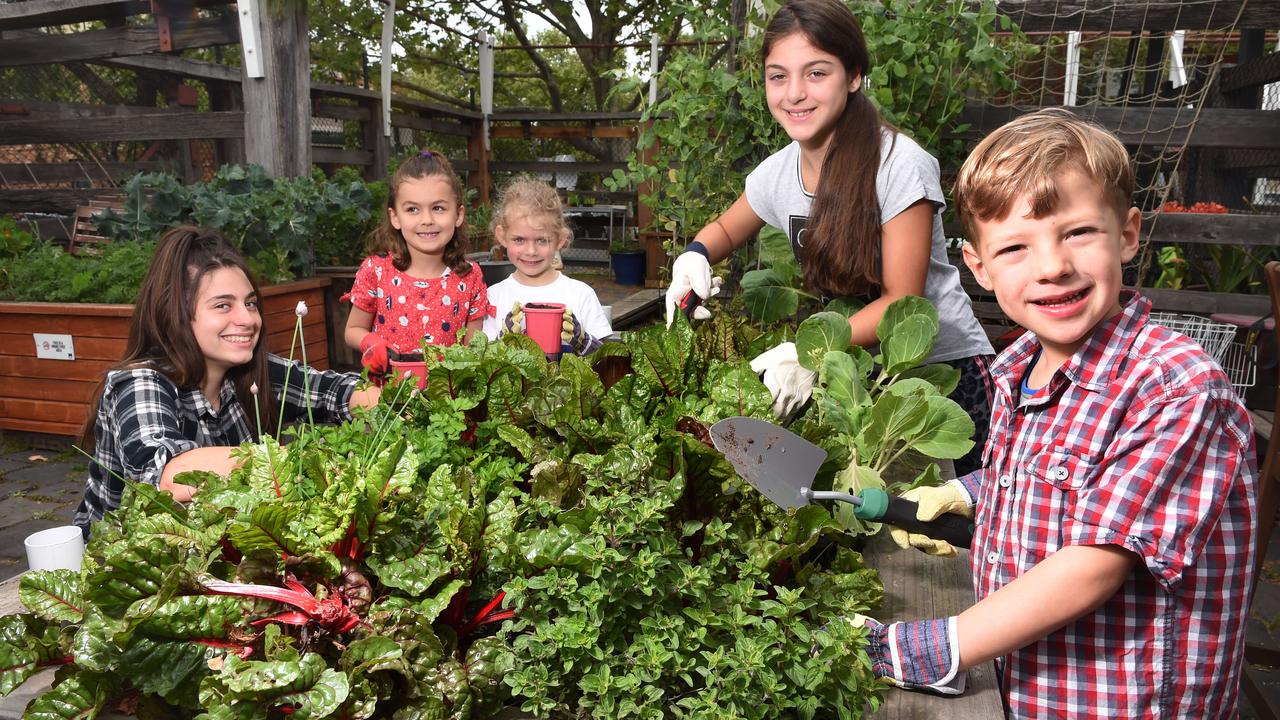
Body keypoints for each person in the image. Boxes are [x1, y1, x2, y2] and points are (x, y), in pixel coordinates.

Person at [857, 109, 1257, 718]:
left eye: (1077, 233)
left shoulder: (1173, 387)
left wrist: (933, 647)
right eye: (1015, 246)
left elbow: (1095, 565)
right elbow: (1059, 477)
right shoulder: (1022, 367)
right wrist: (968, 493)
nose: (1052, 266)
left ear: (1126, 233)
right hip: (1030, 685)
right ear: (979, 267)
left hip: (1120, 702)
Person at [664, 0, 993, 474]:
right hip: (856, 373)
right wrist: (694, 256)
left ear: (854, 75)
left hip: (942, 372)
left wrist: (809, 353)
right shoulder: (777, 173)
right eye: (778, 76)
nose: (794, 93)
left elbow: (903, 305)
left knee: (963, 523)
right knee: (867, 521)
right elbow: (723, 229)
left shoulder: (898, 165)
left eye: (816, 73)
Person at [74, 227, 380, 537]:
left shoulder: (246, 372)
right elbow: (169, 474)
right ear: (176, 314)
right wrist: (292, 462)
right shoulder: (140, 382)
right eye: (223, 305)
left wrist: (395, 407)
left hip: (210, 552)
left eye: (249, 303)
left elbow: (336, 391)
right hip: (118, 567)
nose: (248, 319)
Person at [343, 150, 489, 377]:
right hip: (387, 396)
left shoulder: (470, 276)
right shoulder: (376, 270)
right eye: (412, 209)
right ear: (395, 217)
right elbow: (352, 330)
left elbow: (474, 347)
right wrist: (370, 342)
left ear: (458, 215)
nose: (427, 220)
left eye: (438, 208)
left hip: (448, 404)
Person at [482, 177, 612, 355]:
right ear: (502, 236)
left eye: (542, 240)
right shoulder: (493, 296)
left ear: (560, 239)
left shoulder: (581, 294)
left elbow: (605, 360)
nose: (531, 251)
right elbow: (483, 361)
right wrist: (503, 342)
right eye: (519, 240)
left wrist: (582, 341)